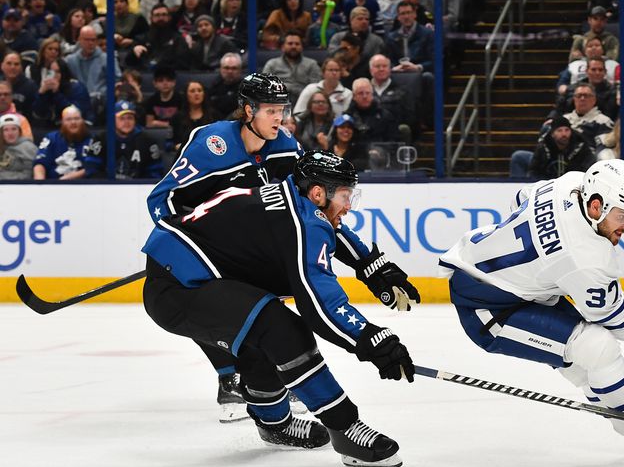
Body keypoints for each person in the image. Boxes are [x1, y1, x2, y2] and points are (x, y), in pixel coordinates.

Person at [147, 73, 420, 423]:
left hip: (250, 240)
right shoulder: (211, 143)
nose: (280, 118)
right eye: (271, 110)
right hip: (204, 246)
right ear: (247, 110)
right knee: (215, 302)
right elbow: (161, 200)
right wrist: (193, 246)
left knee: (266, 305)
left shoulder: (287, 146)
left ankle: (267, 383)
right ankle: (230, 375)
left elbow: (315, 209)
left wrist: (370, 263)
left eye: (283, 109)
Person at [437, 158, 624, 467]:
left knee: (586, 362)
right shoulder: (585, 258)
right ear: (595, 206)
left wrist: (540, 264)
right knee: (597, 347)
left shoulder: (569, 183)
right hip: (488, 309)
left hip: (512, 285)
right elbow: (614, 314)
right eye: (622, 216)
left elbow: (522, 197)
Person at [141, 151, 411, 467]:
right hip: (180, 289)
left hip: (185, 276)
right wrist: (372, 339)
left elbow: (334, 231)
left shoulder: (296, 200)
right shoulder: (304, 223)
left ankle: (274, 424)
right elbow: (320, 305)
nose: (348, 206)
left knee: (258, 338)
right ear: (318, 192)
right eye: (344, 195)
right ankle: (345, 427)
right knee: (282, 331)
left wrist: (373, 268)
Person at [0, 112, 36, 180]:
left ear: (19, 131)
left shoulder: (28, 148)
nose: (10, 133)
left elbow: (29, 174)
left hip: (21, 186)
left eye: (14, 129)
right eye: (6, 130)